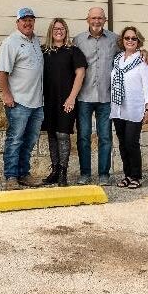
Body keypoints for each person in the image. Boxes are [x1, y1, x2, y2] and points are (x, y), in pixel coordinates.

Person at [73, 7, 148, 185]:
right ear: (87, 19)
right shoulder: (78, 40)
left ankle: (103, 175)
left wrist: (144, 52)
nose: (96, 21)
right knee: (83, 137)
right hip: (84, 96)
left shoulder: (115, 40)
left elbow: (130, 53)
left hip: (107, 98)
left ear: (105, 20)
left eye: (100, 18)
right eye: (93, 18)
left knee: (105, 137)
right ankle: (85, 174)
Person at [0, 7, 45, 189]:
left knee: (30, 140)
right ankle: (11, 177)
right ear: (17, 22)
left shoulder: (35, 41)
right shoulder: (11, 42)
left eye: (31, 19)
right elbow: (1, 71)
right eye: (24, 20)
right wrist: (6, 95)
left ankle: (24, 174)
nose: (28, 23)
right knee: (15, 140)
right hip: (18, 102)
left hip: (37, 103)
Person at [39, 17, 87, 187]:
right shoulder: (43, 51)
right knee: (52, 134)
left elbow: (80, 74)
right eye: (55, 28)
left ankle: (63, 173)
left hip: (67, 100)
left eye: (62, 28)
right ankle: (55, 171)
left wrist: (72, 97)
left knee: (62, 134)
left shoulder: (74, 51)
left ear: (66, 31)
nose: (59, 31)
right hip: (48, 100)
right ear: (51, 32)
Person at [110, 25, 148, 189]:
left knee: (131, 142)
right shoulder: (117, 59)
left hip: (135, 108)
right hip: (118, 108)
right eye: (127, 38)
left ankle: (136, 176)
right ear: (122, 40)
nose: (130, 41)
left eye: (133, 38)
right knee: (122, 143)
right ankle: (127, 175)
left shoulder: (143, 60)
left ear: (138, 41)